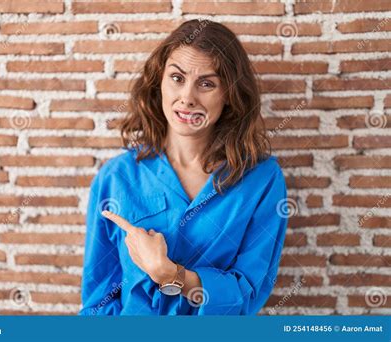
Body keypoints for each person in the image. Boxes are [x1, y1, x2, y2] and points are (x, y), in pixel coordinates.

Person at [79, 19, 288, 315]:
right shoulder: (116, 178)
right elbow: (97, 304)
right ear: (159, 81)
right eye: (177, 78)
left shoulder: (261, 179)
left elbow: (248, 294)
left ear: (228, 93)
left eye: (206, 83)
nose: (187, 98)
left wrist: (170, 275)